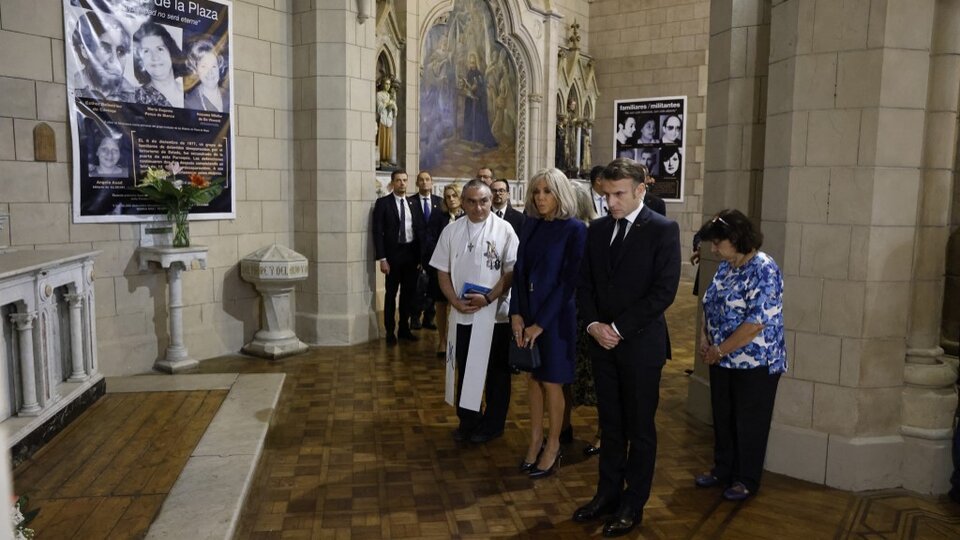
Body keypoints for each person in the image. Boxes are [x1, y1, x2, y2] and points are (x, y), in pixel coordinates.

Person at [574, 158, 680, 537]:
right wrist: (592, 325)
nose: (611, 203)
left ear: (640, 189)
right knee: (612, 425)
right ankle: (607, 494)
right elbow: (583, 283)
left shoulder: (663, 230)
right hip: (601, 344)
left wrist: (617, 328)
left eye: (619, 194)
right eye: (606, 195)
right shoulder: (598, 230)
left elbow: (663, 291)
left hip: (639, 346)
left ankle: (633, 504)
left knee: (639, 428)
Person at [694, 209, 786, 502]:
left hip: (754, 362)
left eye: (718, 243)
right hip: (722, 358)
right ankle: (724, 469)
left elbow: (756, 322)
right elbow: (710, 303)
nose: (713, 249)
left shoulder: (764, 268)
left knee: (749, 422)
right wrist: (705, 337)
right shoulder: (727, 266)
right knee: (724, 417)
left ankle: (746, 478)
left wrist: (720, 349)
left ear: (736, 239)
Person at [511, 168, 587, 479]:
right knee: (533, 378)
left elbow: (569, 282)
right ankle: (535, 440)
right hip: (527, 312)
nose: (540, 197)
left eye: (547, 192)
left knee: (552, 380)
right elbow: (519, 272)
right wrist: (517, 313)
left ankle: (553, 445)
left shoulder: (575, 229)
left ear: (560, 194)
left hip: (555, 318)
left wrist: (540, 324)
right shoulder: (529, 225)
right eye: (536, 192)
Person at [430, 180, 517, 444]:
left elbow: (512, 271)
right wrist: (454, 301)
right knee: (466, 367)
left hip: (495, 314)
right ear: (462, 201)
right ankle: (468, 420)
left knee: (496, 372)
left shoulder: (505, 230)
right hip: (463, 312)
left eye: (483, 201)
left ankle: (493, 424)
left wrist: (489, 297)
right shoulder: (452, 230)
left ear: (491, 200)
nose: (478, 207)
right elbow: (441, 270)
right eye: (471, 201)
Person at [372, 170, 424, 345]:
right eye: (398, 180)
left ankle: (404, 328)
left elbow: (420, 231)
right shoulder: (383, 203)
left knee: (408, 295)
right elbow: (378, 232)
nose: (402, 183)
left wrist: (421, 258)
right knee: (391, 294)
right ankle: (389, 331)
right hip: (393, 256)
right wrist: (382, 258)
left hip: (411, 255)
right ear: (392, 183)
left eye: (404, 180)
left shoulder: (414, 203)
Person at [425, 183, 464, 357]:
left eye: (454, 195)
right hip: (442, 268)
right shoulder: (438, 217)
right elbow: (431, 240)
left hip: (462, 268)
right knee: (441, 305)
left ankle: (457, 342)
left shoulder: (468, 216)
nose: (451, 199)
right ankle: (442, 340)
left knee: (459, 304)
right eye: (447, 197)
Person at [70, 10, 137, 102]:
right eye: (106, 48)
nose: (114, 61)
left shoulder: (137, 97)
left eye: (120, 51)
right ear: (84, 50)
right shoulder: (70, 87)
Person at [410, 171, 442, 330]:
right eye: (421, 180)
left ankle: (429, 318)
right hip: (416, 253)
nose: (424, 182)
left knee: (432, 288)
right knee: (417, 288)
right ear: (417, 183)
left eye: (427, 179)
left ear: (432, 182)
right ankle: (414, 317)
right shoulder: (410, 202)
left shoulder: (440, 202)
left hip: (435, 254)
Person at [132, 22, 187, 107]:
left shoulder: (191, 92)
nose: (155, 57)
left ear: (171, 52)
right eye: (146, 51)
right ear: (140, 60)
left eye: (160, 49)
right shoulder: (135, 98)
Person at [460, 53, 497, 147]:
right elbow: (468, 86)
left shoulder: (479, 74)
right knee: (469, 114)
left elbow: (481, 87)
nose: (471, 65)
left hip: (478, 102)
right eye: (470, 63)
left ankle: (478, 137)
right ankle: (469, 135)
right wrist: (466, 86)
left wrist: (475, 87)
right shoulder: (469, 73)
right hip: (470, 100)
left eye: (473, 63)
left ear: (476, 63)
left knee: (477, 118)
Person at [184, 38, 229, 112]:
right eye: (204, 66)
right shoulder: (189, 104)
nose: (210, 72)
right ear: (196, 70)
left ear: (219, 67)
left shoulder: (230, 97)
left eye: (213, 66)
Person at [377, 77, 398, 165]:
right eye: (386, 84)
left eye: (389, 84)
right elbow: (379, 107)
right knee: (382, 139)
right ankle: (381, 159)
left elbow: (395, 109)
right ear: (382, 84)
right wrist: (387, 103)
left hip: (389, 121)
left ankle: (386, 160)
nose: (387, 86)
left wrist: (394, 108)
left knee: (388, 141)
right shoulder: (379, 94)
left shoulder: (390, 96)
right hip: (381, 120)